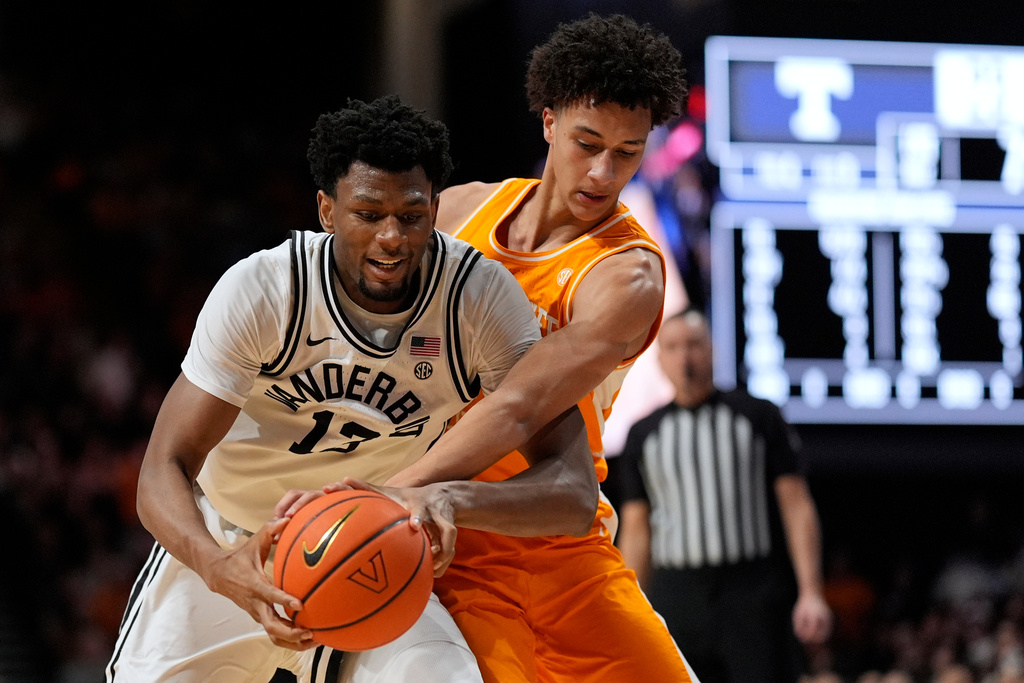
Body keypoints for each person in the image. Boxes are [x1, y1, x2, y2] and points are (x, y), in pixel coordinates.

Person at [104, 94, 601, 683]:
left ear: (435, 207)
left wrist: (449, 498)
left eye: (411, 216)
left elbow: (574, 494)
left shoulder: (478, 299)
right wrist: (217, 566)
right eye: (368, 214)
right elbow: (163, 466)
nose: (392, 237)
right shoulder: (266, 290)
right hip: (235, 537)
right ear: (327, 210)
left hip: (374, 546)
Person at [383, 13, 697, 683]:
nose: (604, 171)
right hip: (446, 548)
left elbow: (522, 407)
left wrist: (386, 493)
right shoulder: (458, 214)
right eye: (588, 142)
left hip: (554, 537)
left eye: (628, 151)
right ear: (549, 121)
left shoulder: (628, 273)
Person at [611, 308, 833, 683]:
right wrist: (629, 609)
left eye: (695, 345)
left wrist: (811, 590)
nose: (686, 357)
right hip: (677, 593)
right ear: (660, 359)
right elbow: (636, 529)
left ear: (712, 350)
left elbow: (796, 506)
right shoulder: (642, 435)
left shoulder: (758, 416)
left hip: (751, 591)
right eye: (674, 347)